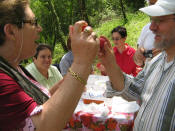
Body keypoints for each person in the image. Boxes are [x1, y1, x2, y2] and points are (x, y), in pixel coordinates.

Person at [0, 0, 99, 130]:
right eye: (34, 23)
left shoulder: (14, 68)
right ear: (11, 31)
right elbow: (44, 125)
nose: (39, 28)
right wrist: (81, 62)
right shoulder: (2, 79)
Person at [99, 0, 175, 130]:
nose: (151, 27)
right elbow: (133, 90)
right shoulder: (155, 62)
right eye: (152, 20)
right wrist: (109, 62)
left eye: (160, 20)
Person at [133, 0, 161, 66]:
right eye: (151, 3)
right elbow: (138, 55)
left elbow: (162, 53)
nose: (153, 7)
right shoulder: (146, 28)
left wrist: (146, 54)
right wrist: (138, 55)